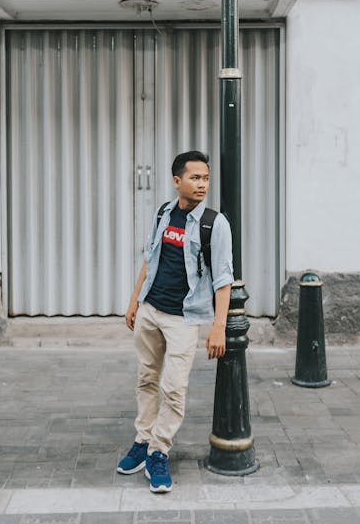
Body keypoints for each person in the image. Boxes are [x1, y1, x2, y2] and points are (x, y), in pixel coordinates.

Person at [116, 150, 233, 493]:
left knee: (173, 388)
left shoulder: (215, 223)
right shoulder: (164, 213)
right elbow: (150, 259)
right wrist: (135, 300)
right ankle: (142, 439)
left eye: (206, 178)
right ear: (177, 180)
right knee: (146, 378)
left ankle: (158, 450)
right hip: (151, 310)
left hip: (185, 318)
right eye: (195, 178)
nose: (202, 184)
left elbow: (223, 279)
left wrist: (219, 326)